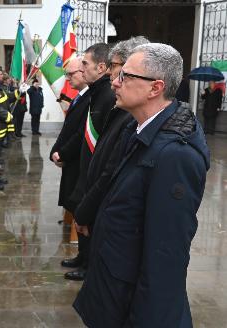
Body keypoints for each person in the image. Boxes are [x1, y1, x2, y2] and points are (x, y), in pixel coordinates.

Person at [74, 43, 210, 327]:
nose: (114, 81)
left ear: (155, 88)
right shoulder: (136, 127)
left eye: (125, 76)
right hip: (113, 287)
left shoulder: (176, 156)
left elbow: (166, 256)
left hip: (131, 303)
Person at [73, 36, 149, 281]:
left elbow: (111, 170)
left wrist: (87, 209)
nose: (113, 81)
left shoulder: (130, 117)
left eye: (118, 70)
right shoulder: (124, 112)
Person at [63, 43, 115, 281]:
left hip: (95, 176)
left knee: (89, 220)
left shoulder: (106, 96)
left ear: (101, 67)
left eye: (85, 63)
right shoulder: (96, 93)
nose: (81, 68)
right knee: (81, 215)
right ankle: (82, 257)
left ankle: (88, 265)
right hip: (85, 172)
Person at [49, 56, 90, 279]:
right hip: (72, 163)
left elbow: (80, 134)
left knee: (81, 211)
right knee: (75, 208)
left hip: (79, 163)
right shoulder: (78, 97)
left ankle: (86, 262)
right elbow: (68, 129)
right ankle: (81, 257)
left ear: (84, 73)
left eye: (71, 74)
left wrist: (62, 153)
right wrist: (56, 151)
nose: (68, 79)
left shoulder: (90, 99)